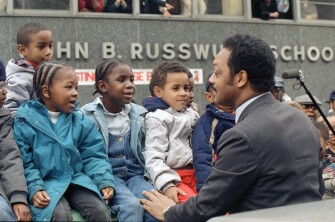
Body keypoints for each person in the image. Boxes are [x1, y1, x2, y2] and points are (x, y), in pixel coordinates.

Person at [140, 34, 322, 222]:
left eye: (217, 73)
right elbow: (317, 188)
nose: (211, 79)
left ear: (241, 78)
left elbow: (207, 207)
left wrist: (168, 211)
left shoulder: (243, 136)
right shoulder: (301, 119)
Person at [13, 63, 115, 221]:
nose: (75, 93)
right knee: (59, 215)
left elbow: (93, 156)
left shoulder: (81, 121)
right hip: (45, 184)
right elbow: (24, 162)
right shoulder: (24, 120)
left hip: (76, 181)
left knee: (99, 211)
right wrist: (35, 187)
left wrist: (104, 180)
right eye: (69, 87)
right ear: (46, 91)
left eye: (76, 88)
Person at [81, 59, 158, 222]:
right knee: (131, 207)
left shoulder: (139, 114)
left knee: (155, 205)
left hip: (135, 176)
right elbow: (88, 155)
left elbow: (146, 149)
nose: (130, 85)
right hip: (108, 176)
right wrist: (103, 180)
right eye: (121, 80)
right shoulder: (87, 116)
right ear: (103, 87)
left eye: (131, 79)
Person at [142, 61, 199, 204]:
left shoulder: (193, 115)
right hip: (174, 177)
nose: (183, 93)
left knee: (218, 206)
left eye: (186, 88)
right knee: (192, 208)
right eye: (176, 88)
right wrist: (167, 184)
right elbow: (153, 157)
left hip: (197, 174)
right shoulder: (156, 118)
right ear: (158, 92)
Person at [192, 73, 235, 192]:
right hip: (223, 176)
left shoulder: (243, 114)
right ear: (209, 97)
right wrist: (206, 187)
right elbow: (202, 154)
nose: (228, 94)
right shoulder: (208, 122)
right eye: (221, 90)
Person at [0, 59, 31, 221]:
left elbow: (9, 158)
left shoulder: (3, 116)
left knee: (4, 213)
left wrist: (18, 197)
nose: (5, 91)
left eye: (5, 84)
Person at [5, 22, 53, 112]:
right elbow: (11, 111)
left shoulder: (44, 74)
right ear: (22, 50)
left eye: (50, 46)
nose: (48, 51)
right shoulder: (20, 79)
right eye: (42, 46)